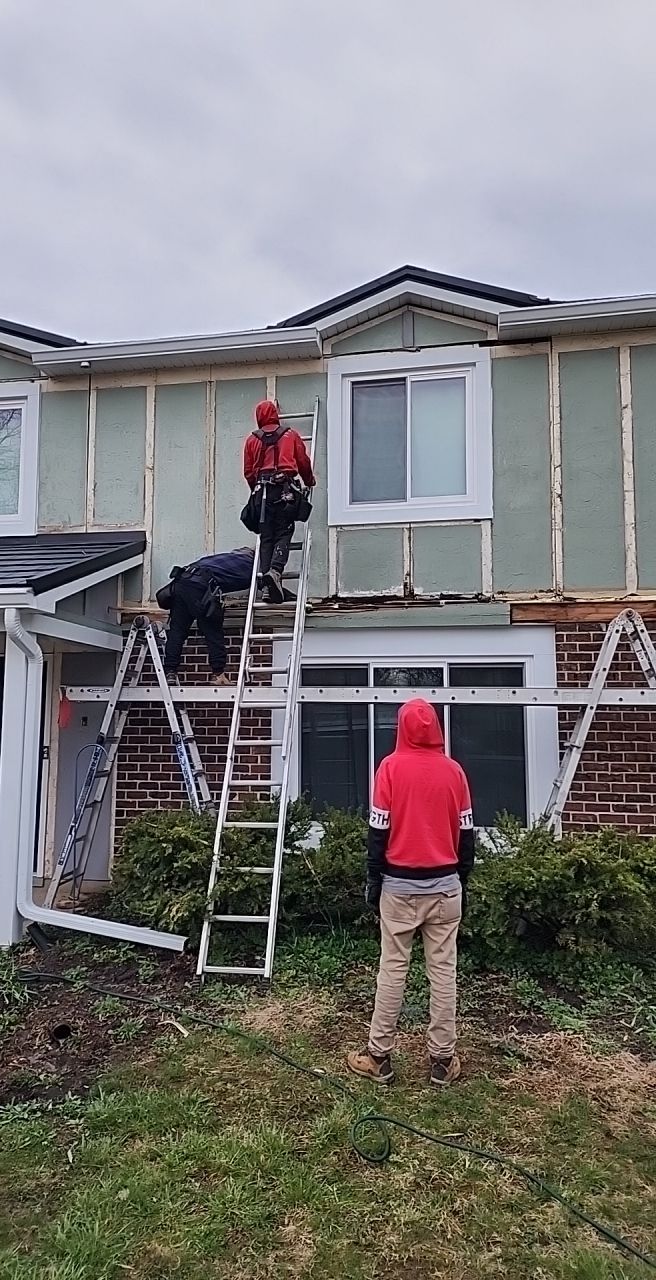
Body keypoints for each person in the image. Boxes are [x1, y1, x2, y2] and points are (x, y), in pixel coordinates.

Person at [347, 699, 475, 1087]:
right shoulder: (455, 772)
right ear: (436, 728)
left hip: (399, 888)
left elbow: (377, 832)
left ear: (401, 728)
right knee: (443, 972)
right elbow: (467, 836)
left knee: (392, 969)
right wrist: (462, 881)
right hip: (445, 887)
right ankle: (442, 1063)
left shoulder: (389, 768)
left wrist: (374, 879)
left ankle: (378, 1057)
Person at [242, 400, 316, 604]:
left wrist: (256, 494)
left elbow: (249, 472)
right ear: (275, 414)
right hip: (284, 492)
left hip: (262, 494)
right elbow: (302, 462)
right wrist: (309, 482)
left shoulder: (252, 440)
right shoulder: (290, 435)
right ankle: (275, 572)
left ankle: (267, 588)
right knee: (283, 533)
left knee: (267, 538)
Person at [156, 547, 255, 686]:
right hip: (199, 587)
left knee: (177, 631)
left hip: (181, 583)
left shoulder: (224, 558)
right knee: (213, 630)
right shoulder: (251, 566)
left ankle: (170, 672)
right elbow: (264, 584)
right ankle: (218, 675)